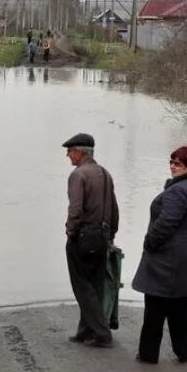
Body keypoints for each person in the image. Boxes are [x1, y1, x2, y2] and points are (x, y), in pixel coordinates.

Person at [132, 145, 187, 364]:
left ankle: (148, 355)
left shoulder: (178, 190)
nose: (173, 167)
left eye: (179, 163)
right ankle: (185, 353)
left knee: (156, 305)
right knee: (180, 303)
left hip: (166, 257)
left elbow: (166, 223)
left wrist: (149, 242)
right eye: (172, 162)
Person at [63, 132, 119, 348]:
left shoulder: (78, 175)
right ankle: (85, 332)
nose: (68, 156)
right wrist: (111, 235)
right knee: (95, 286)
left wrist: (70, 233)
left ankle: (102, 333)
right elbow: (114, 209)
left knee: (82, 287)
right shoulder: (105, 174)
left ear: (79, 152)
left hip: (83, 237)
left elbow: (75, 209)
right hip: (102, 237)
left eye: (69, 151)